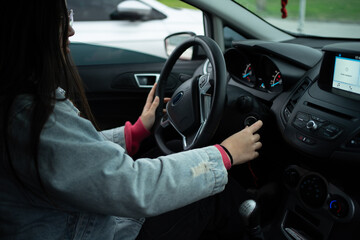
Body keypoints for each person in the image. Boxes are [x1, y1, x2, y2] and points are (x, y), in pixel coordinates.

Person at [0, 1, 263, 239]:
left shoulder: (20, 105)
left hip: (81, 223)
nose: (70, 31)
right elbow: (133, 186)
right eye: (61, 21)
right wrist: (224, 155)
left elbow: (76, 153)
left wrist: (135, 133)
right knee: (214, 196)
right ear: (31, 32)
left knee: (156, 155)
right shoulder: (34, 118)